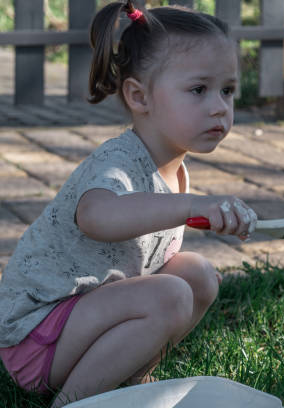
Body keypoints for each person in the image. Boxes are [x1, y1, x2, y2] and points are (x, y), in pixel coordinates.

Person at [0, 1, 256, 406]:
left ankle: (130, 381)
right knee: (170, 294)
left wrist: (210, 216)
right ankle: (71, 402)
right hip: (35, 339)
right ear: (139, 96)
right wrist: (191, 206)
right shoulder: (118, 162)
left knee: (199, 275)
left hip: (81, 323)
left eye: (227, 91)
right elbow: (96, 217)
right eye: (198, 89)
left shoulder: (172, 164)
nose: (219, 107)